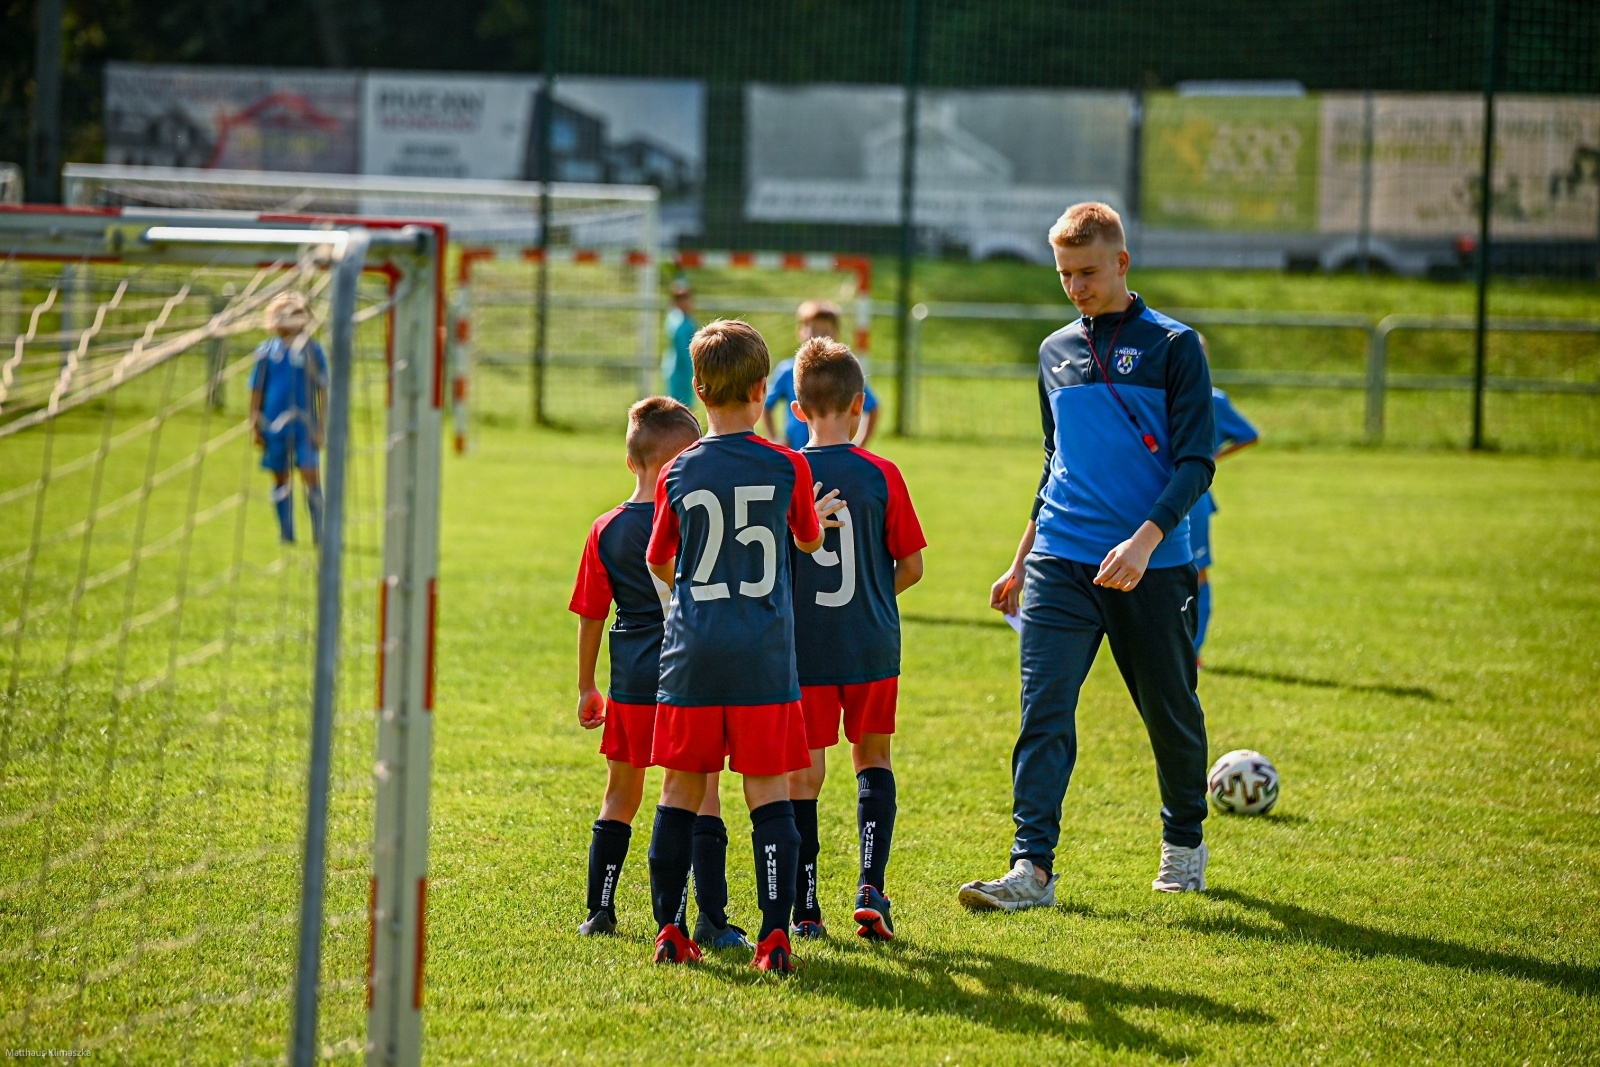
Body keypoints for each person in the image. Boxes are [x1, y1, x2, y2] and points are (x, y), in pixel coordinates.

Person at [959, 201, 1217, 911]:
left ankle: (1183, 842)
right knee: (1043, 712)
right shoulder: (1052, 352)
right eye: (1065, 275)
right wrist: (1021, 558)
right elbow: (1056, 464)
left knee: (1169, 709)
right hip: (1061, 561)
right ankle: (1030, 868)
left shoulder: (1175, 345)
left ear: (1123, 263)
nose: (1076, 287)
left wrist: (1145, 540)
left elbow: (1197, 462)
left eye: (1089, 272)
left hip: (1153, 566)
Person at [644, 319, 845, 973]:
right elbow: (810, 541)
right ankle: (774, 936)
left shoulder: (677, 467)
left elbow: (660, 559)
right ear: (765, 389)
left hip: (693, 655)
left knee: (679, 788)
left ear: (697, 387)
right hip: (763, 655)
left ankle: (671, 931)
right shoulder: (787, 464)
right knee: (769, 792)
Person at [568, 396, 749, 949]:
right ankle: (710, 920)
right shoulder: (693, 519)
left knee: (620, 795)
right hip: (691, 679)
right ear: (684, 461)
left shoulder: (605, 529)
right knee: (705, 795)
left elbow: (591, 612)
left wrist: (585, 685)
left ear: (631, 462)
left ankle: (600, 910)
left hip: (631, 680)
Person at [785, 337, 925, 942]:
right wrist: (872, 595)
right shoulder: (882, 473)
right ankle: (871, 887)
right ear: (860, 404)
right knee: (873, 761)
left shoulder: (783, 473)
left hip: (805, 652)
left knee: (804, 777)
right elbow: (912, 566)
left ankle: (806, 906)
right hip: (871, 646)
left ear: (796, 408)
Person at [1191, 336, 1261, 664]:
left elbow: (1249, 435)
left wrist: (1213, 457)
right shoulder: (1156, 398)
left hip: (1194, 499)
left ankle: (1194, 650)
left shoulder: (1214, 401)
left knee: (1197, 573)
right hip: (1151, 495)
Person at [249, 292, 327, 545]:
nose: (289, 319)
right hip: (274, 426)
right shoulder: (266, 351)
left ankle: (319, 533)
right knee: (281, 478)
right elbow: (257, 390)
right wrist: (255, 424)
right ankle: (286, 534)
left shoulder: (313, 351)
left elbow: (322, 390)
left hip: (305, 428)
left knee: (310, 474)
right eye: (283, 314)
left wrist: (321, 428)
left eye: (295, 314)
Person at [763, 301, 880, 449]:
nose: (819, 335)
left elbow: (872, 406)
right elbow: (766, 405)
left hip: (834, 453)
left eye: (825, 330)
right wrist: (775, 439)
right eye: (814, 329)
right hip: (796, 453)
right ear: (800, 331)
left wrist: (861, 445)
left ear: (836, 333)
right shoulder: (787, 371)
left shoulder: (844, 371)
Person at [660, 278, 698, 407]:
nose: (686, 302)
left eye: (687, 298)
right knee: (680, 406)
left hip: (680, 369)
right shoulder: (681, 323)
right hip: (680, 369)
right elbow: (684, 350)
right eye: (681, 299)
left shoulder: (679, 318)